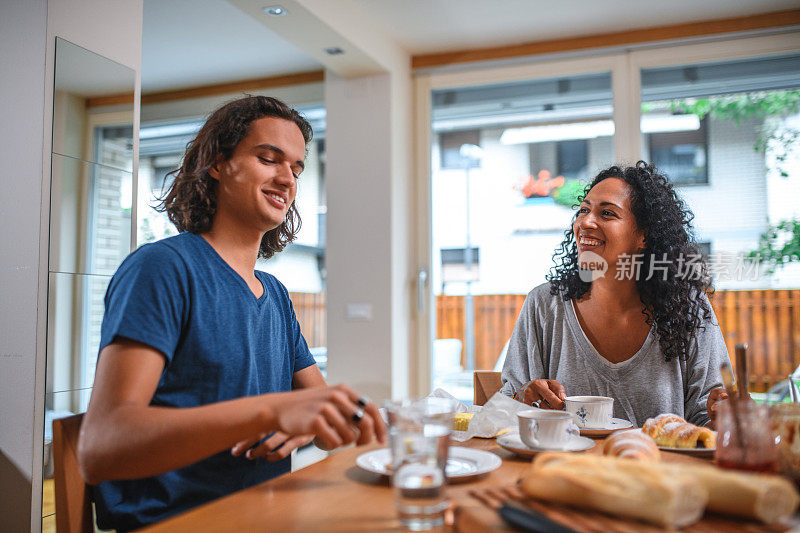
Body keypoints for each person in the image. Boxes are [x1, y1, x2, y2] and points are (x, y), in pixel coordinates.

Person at [78, 96, 386, 531]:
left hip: (269, 514)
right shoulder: (163, 268)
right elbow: (102, 448)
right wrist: (273, 411)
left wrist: (329, 416)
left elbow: (316, 421)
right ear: (218, 163)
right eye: (268, 158)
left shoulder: (275, 295)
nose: (287, 178)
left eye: (296, 168)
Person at [499, 161, 731, 428]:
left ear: (644, 235)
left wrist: (723, 416)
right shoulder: (544, 305)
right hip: (564, 468)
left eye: (607, 214)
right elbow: (507, 407)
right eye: (583, 210)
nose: (585, 222)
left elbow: (707, 420)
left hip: (660, 469)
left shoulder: (688, 307)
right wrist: (524, 399)